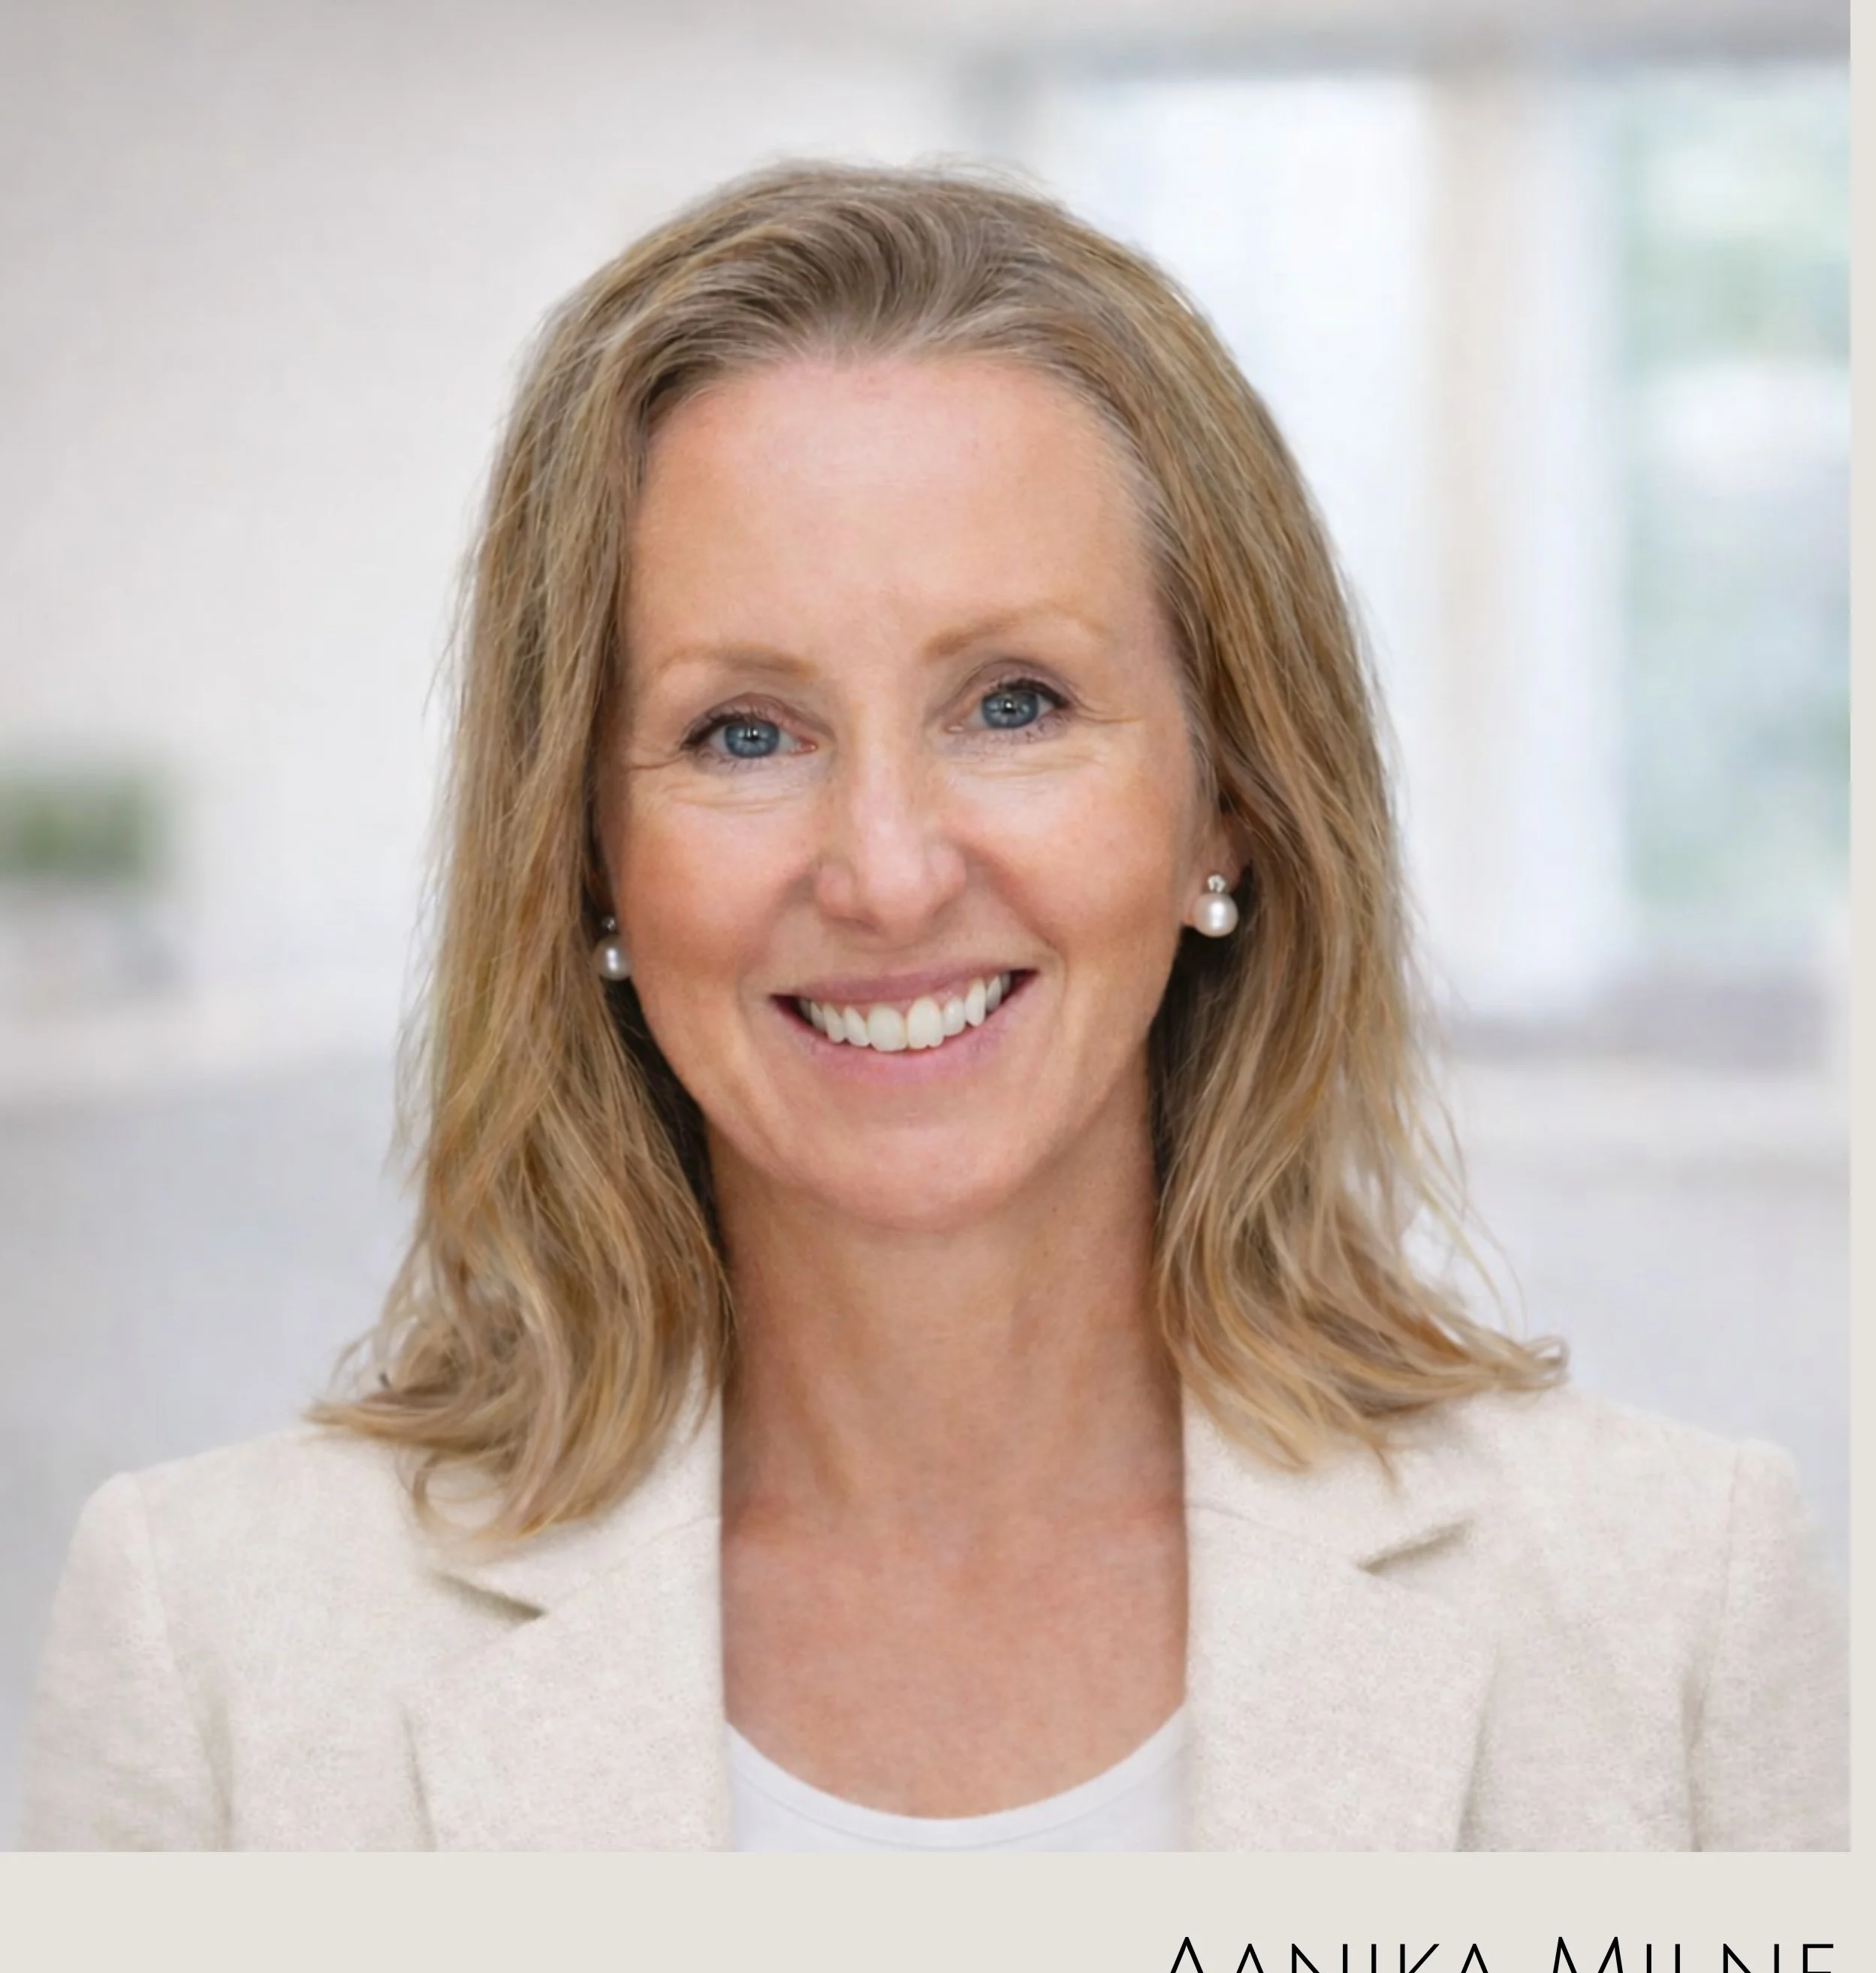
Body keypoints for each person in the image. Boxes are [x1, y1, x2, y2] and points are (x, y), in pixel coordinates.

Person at [21, 163, 1845, 1852]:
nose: (885, 872)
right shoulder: (219, 1653)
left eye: (1016, 703)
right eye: (744, 731)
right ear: (581, 850)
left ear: (1228, 793)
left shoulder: (1666, 1604)